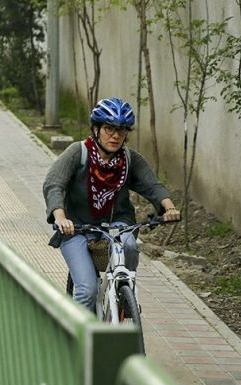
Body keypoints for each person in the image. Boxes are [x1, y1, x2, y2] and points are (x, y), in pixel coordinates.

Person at [43, 97, 181, 312]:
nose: (115, 136)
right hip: (77, 228)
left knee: (130, 245)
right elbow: (54, 184)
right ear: (96, 128)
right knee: (86, 290)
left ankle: (125, 290)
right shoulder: (77, 153)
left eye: (122, 130)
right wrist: (61, 217)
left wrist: (169, 207)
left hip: (117, 223)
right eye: (109, 129)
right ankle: (78, 341)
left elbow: (152, 184)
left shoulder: (129, 159)